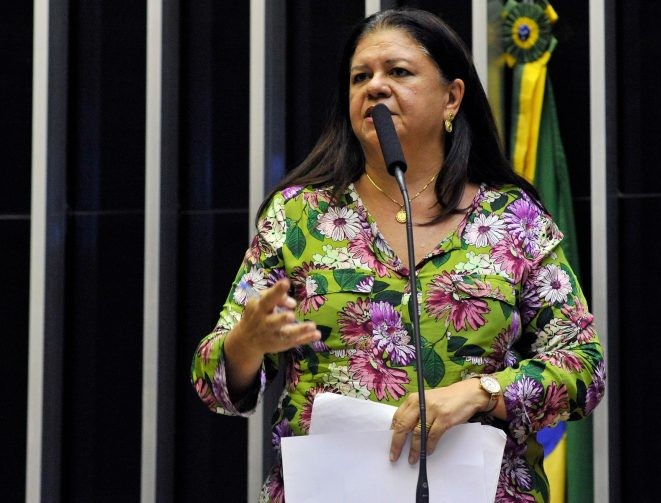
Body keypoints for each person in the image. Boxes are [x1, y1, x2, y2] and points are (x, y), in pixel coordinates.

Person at [191, 7, 605, 502]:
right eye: (360, 77)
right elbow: (213, 384)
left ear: (452, 98)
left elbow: (584, 368)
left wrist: (482, 393)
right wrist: (246, 342)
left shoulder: (513, 219)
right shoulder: (299, 217)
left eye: (399, 72)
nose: (375, 87)